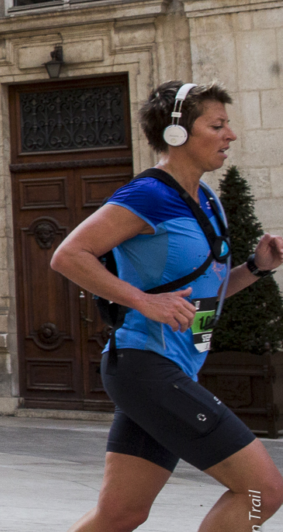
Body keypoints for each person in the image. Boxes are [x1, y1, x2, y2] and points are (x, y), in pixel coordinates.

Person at [51, 81, 283, 532]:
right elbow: (68, 255)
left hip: (170, 369)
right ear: (176, 133)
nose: (230, 135)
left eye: (227, 124)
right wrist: (142, 300)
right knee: (264, 491)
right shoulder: (149, 195)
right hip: (146, 367)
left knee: (121, 513)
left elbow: (202, 295)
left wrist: (256, 267)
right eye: (217, 125)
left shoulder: (209, 201)